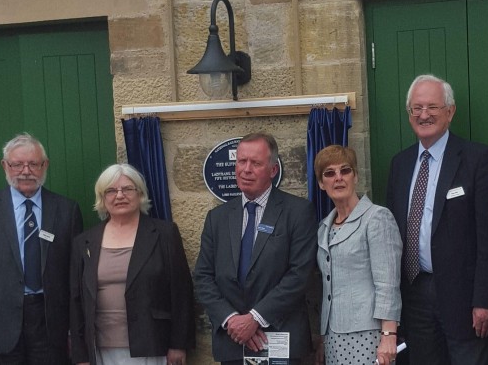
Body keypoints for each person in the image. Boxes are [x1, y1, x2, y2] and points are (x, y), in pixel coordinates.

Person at [386, 74, 488, 365]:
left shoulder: (478, 158)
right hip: (415, 297)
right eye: (417, 108)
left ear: (450, 112)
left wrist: (484, 299)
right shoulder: (399, 165)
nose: (424, 115)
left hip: (465, 300)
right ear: (409, 113)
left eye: (433, 107)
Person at [193, 132, 317, 364]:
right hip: (233, 341)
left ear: (272, 170)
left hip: (282, 338)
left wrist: (255, 319)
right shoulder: (217, 218)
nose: (246, 169)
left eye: (256, 163)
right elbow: (203, 277)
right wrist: (232, 320)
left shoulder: (298, 212)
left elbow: (300, 274)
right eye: (241, 161)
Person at [0, 133, 83, 364]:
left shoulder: (67, 210)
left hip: (49, 324)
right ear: (5, 166)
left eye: (33, 164)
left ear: (44, 165)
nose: (25, 171)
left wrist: (73, 330)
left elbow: (74, 276)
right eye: (17, 164)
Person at [70, 163, 194, 365]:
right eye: (111, 190)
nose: (119, 195)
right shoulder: (84, 242)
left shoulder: (164, 234)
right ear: (102, 198)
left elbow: (181, 292)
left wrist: (178, 344)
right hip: (100, 348)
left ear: (140, 194)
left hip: (151, 344)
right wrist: (80, 355)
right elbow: (76, 301)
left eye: (127, 189)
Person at [314, 145, 401, 365]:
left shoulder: (377, 218)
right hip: (333, 335)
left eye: (345, 170)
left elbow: (388, 282)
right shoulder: (324, 227)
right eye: (330, 173)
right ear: (321, 184)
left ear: (356, 176)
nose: (338, 178)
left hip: (369, 333)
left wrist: (389, 335)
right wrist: (323, 339)